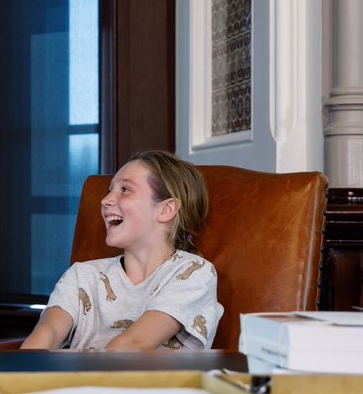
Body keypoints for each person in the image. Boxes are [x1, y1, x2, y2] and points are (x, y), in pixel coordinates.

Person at [20, 150, 223, 351]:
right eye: (110, 190)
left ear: (166, 210)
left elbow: (132, 346)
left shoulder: (194, 272)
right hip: (75, 383)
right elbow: (48, 333)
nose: (105, 200)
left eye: (125, 189)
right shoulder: (81, 275)